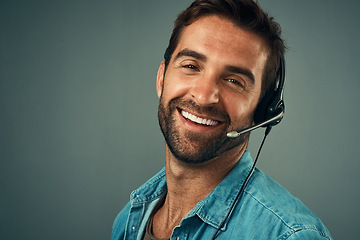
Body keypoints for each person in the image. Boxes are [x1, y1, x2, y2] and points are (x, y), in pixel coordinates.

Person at [111, 0, 332, 239]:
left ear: (264, 110)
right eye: (191, 66)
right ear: (162, 78)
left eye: (234, 81)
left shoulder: (288, 235)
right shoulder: (130, 218)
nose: (204, 96)